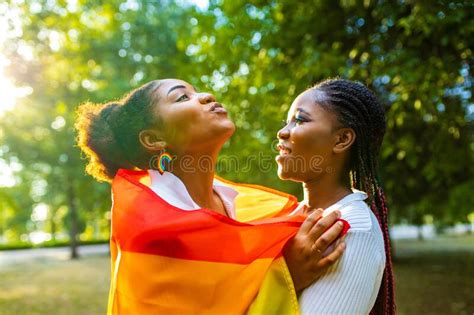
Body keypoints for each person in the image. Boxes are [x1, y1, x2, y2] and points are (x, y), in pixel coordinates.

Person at [75, 78, 347, 314]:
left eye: (197, 91)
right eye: (182, 97)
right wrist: (286, 276)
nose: (206, 96)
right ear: (154, 139)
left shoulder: (244, 206)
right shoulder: (151, 232)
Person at [276, 78, 396, 314]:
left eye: (299, 120)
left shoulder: (350, 228)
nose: (282, 132)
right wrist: (286, 277)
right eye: (287, 122)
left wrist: (285, 280)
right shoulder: (290, 214)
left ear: (341, 139)